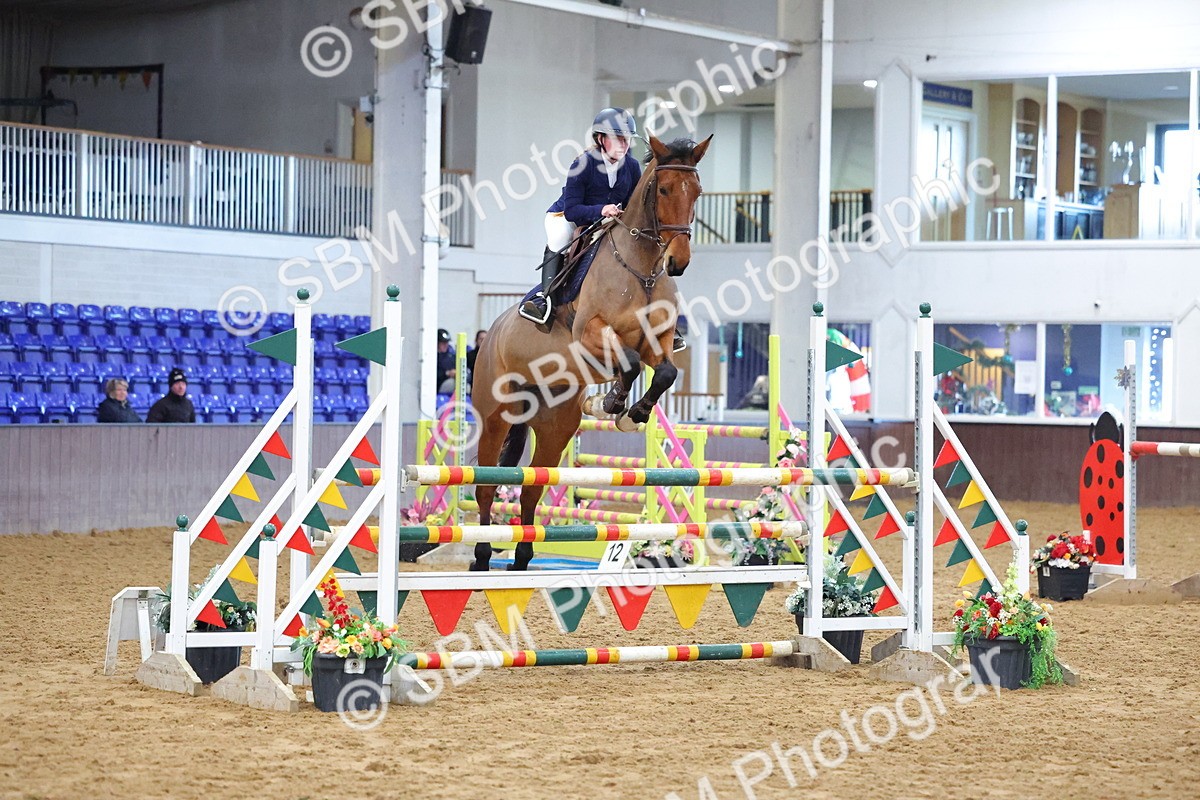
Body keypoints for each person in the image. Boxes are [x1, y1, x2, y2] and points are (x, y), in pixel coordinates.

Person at [519, 107, 685, 352]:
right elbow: (573, 210)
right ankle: (545, 299)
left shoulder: (631, 166)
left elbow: (632, 203)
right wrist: (601, 210)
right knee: (559, 238)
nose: (624, 145)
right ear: (600, 139)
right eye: (618, 139)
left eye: (626, 139)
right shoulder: (582, 164)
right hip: (568, 217)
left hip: (609, 219)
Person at [435, 329, 457, 394]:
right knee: (451, 383)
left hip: (452, 383)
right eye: (443, 343)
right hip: (439, 386)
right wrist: (447, 373)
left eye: (446, 343)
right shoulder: (432, 357)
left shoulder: (451, 356)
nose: (445, 345)